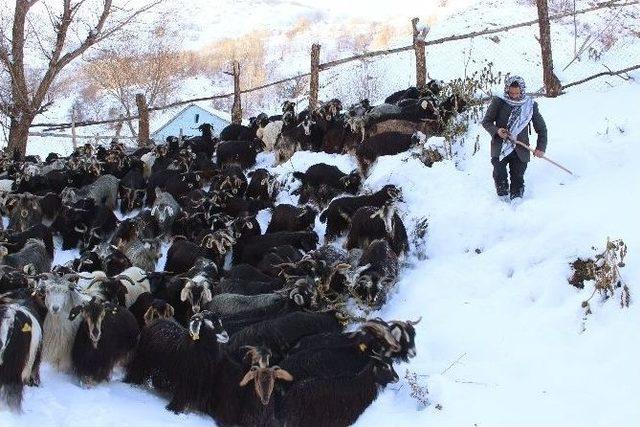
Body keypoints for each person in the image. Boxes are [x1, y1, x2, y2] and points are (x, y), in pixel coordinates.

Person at [482, 75, 547, 201]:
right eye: (511, 93)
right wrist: (497, 131)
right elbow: (486, 122)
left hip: (520, 148)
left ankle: (517, 201)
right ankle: (501, 201)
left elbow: (542, 129)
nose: (514, 96)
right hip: (500, 146)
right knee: (499, 174)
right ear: (507, 90)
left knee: (517, 176)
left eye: (517, 93)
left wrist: (540, 148)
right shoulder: (499, 101)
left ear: (522, 91)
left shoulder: (530, 106)